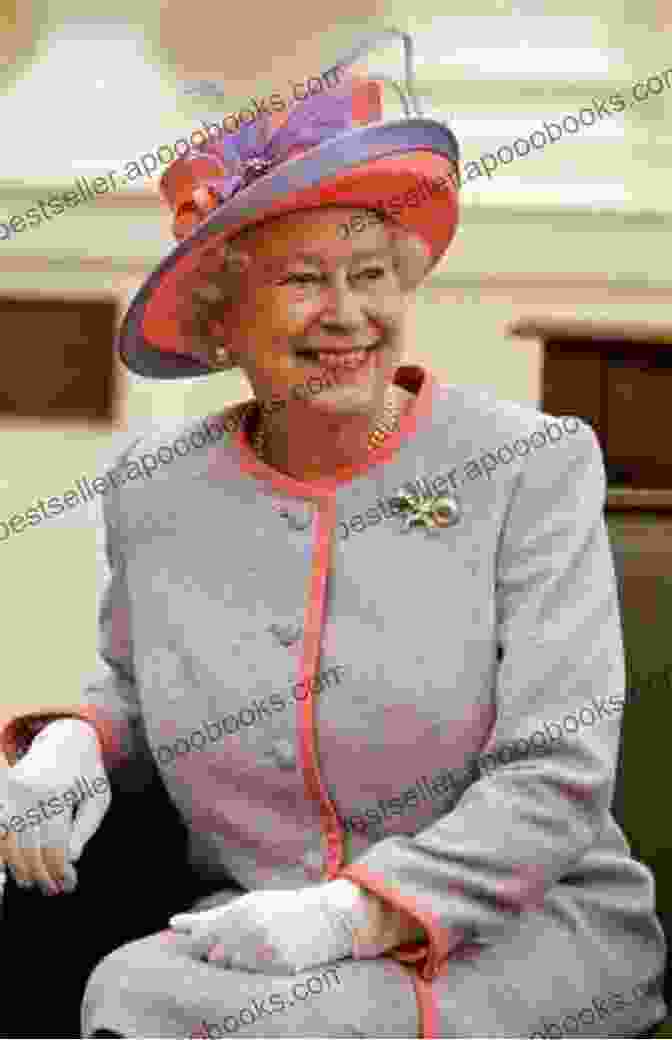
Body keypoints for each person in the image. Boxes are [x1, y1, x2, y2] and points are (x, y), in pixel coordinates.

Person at [0, 27, 667, 1040]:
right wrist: (70, 747)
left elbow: (555, 771)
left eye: (371, 273)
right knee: (130, 993)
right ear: (224, 317)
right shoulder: (155, 487)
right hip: (259, 930)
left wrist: (352, 911)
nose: (346, 312)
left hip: (518, 934)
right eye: (303, 279)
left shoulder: (531, 465)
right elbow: (136, 688)